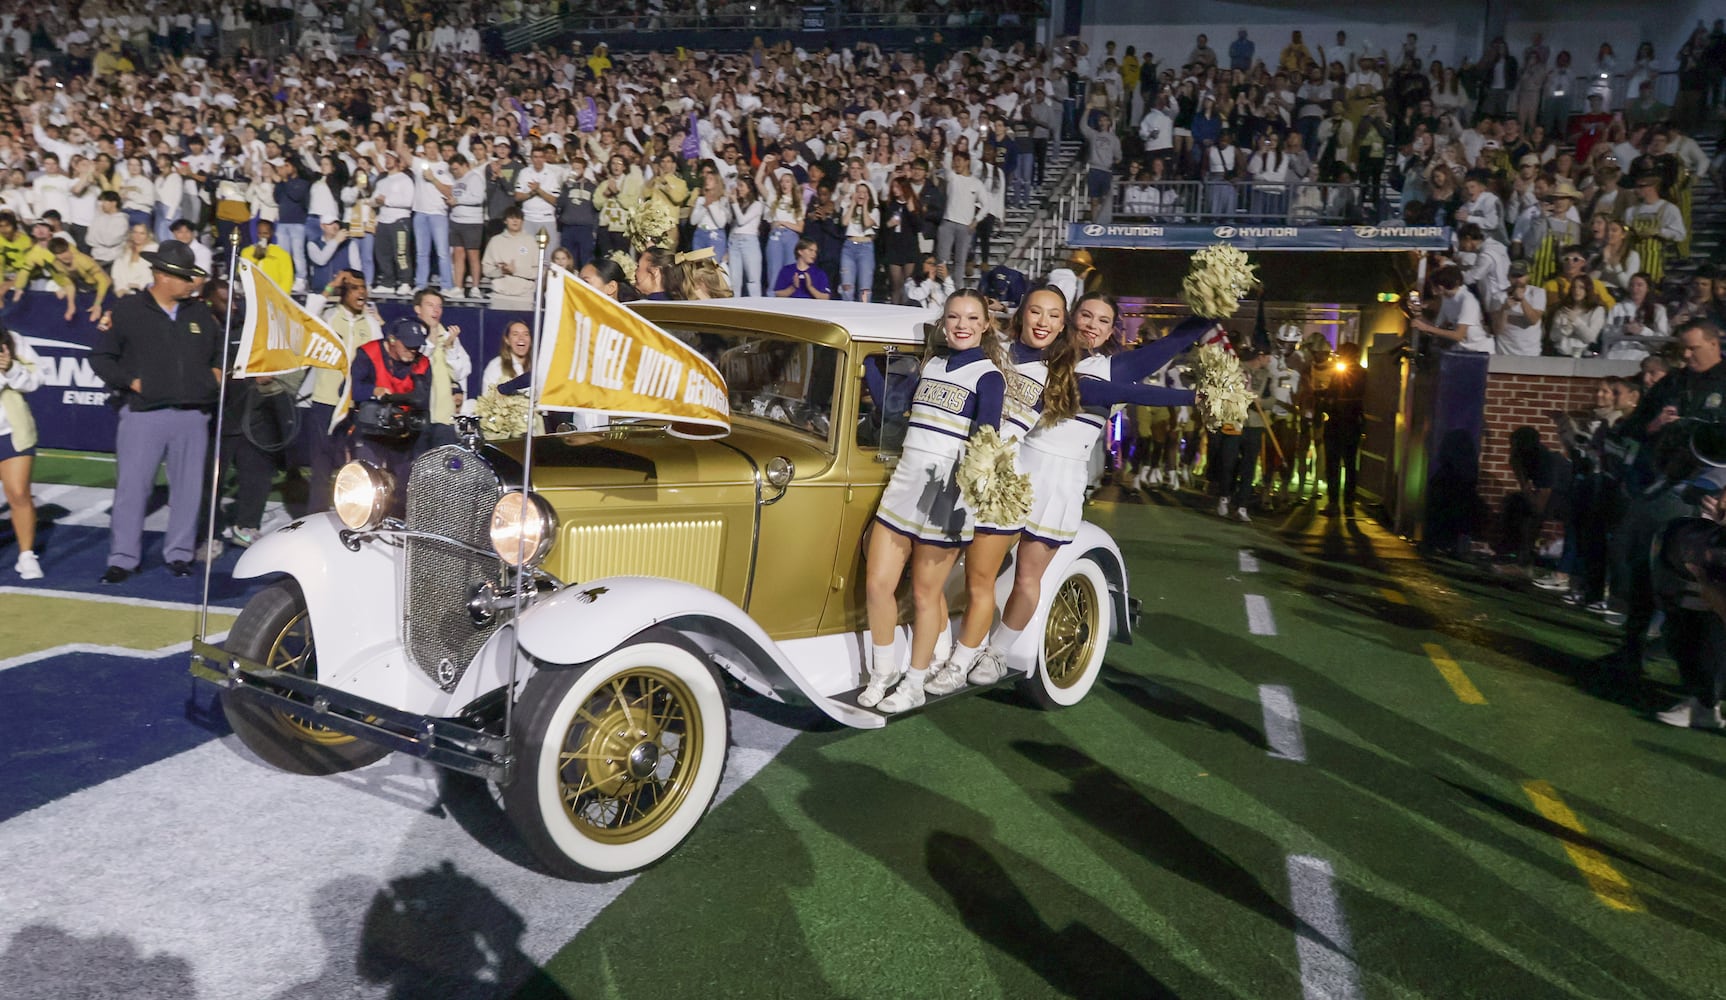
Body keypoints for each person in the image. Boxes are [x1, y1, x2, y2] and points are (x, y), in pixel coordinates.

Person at [980, 296, 1200, 680]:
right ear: (1070, 318)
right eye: (1086, 315)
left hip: (1059, 480)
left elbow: (1169, 349)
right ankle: (964, 642)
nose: (1092, 326)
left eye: (1103, 320)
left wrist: (1216, 302)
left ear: (1112, 329)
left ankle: (997, 653)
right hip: (1012, 468)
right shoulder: (1037, 352)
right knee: (979, 570)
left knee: (1027, 577)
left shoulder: (1112, 367)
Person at [864, 290, 1008, 713]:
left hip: (947, 497)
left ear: (985, 325)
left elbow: (987, 440)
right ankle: (882, 671)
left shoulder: (989, 377)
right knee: (878, 585)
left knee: (926, 596)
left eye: (970, 318)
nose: (961, 325)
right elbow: (893, 404)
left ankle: (914, 682)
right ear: (944, 323)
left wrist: (970, 486)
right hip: (905, 486)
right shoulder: (932, 364)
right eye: (953, 317)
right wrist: (870, 364)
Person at [88, 242, 221, 583]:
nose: (191, 282)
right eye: (183, 277)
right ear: (162, 275)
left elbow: (220, 353)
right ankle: (123, 559)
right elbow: (101, 357)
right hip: (144, 415)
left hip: (193, 415)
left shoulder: (201, 312)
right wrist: (131, 382)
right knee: (133, 489)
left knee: (189, 490)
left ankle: (179, 555)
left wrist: (214, 378)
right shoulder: (128, 310)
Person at [310, 271, 383, 510]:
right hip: (326, 401)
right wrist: (331, 285)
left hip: (357, 406)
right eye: (354, 287)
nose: (361, 292)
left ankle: (353, 516)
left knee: (356, 467)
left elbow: (380, 364)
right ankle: (315, 517)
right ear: (343, 292)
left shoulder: (371, 325)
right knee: (321, 465)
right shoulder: (329, 318)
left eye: (364, 287)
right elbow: (308, 315)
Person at [350, 316, 434, 502]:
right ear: (392, 340)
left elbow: (422, 399)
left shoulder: (422, 362)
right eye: (408, 345)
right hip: (372, 432)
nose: (413, 351)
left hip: (404, 434)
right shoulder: (369, 353)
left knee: (404, 487)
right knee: (368, 484)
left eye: (417, 346)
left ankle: (399, 524)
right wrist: (374, 391)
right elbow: (349, 389)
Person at [0, 324, 44, 579]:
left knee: (18, 493)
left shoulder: (13, 339)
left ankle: (26, 555)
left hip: (11, 432)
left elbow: (37, 378)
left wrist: (11, 368)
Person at [411, 288, 473, 450]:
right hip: (417, 419)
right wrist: (431, 341)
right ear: (418, 309)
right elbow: (416, 368)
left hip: (444, 420)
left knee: (442, 471)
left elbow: (461, 373)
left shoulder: (449, 337)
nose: (436, 310)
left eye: (439, 306)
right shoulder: (410, 335)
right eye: (430, 305)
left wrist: (451, 348)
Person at [1317, 341, 1367, 515]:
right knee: (1350, 464)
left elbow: (1333, 396)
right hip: (1351, 424)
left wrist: (1323, 399)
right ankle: (1348, 503)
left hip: (1339, 424)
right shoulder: (1361, 373)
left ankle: (1335, 503)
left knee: (1335, 464)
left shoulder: (1346, 374)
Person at [1410, 265, 1490, 352]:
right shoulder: (1446, 299)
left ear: (1440, 288)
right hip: (1463, 348)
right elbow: (1437, 327)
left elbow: (1459, 335)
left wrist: (1426, 328)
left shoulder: (1468, 301)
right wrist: (1419, 317)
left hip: (1479, 349)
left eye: (1433, 287)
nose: (1433, 292)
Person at [1491, 260, 1548, 356]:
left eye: (1521, 276)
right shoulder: (1498, 296)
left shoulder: (1538, 293)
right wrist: (1504, 310)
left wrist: (1522, 300)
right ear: (1508, 277)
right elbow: (1497, 330)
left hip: (1530, 352)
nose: (1518, 280)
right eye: (1514, 276)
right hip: (1505, 352)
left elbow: (1533, 320)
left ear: (1528, 276)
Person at [1547, 275, 1608, 357]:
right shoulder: (1563, 309)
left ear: (1588, 289)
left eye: (1581, 287)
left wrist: (1576, 321)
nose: (1577, 291)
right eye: (1574, 287)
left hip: (1584, 356)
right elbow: (1553, 337)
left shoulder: (1597, 310)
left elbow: (1590, 338)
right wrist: (1564, 329)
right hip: (1561, 354)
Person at [241, 219, 294, 291]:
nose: (262, 236)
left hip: (274, 293)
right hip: (253, 292)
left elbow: (287, 278)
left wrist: (280, 296)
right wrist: (256, 257)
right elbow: (243, 271)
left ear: (271, 233)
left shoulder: (282, 254)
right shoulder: (247, 251)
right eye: (260, 233)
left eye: (265, 233)